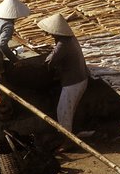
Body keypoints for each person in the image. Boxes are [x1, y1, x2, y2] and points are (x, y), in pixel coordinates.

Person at [37, 13, 89, 150]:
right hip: (80, 78)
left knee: (63, 112)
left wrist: (28, 66)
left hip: (73, 82)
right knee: (70, 110)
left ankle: (68, 141)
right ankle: (73, 134)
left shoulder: (63, 44)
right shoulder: (69, 39)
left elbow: (49, 62)